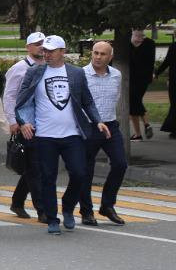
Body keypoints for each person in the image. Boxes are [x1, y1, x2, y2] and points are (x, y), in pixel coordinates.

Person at [15, 35, 109, 235]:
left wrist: (98, 120)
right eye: (45, 50)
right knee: (47, 178)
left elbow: (87, 101)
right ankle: (52, 219)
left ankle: (67, 206)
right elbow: (21, 100)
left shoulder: (75, 74)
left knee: (79, 173)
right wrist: (23, 122)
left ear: (62, 52)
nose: (46, 53)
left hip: (71, 135)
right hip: (44, 136)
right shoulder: (35, 72)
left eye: (51, 50)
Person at [77, 41, 127, 225]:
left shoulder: (116, 75)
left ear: (110, 57)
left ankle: (107, 205)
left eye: (102, 54)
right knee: (86, 170)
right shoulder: (81, 74)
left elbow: (117, 97)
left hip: (110, 125)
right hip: (89, 127)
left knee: (120, 164)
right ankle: (86, 211)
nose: (98, 57)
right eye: (95, 53)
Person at [4, 31, 46, 219]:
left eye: (43, 44)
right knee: (35, 167)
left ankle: (17, 201)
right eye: (36, 44)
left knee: (33, 167)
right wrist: (13, 121)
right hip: (25, 124)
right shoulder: (19, 68)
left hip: (44, 123)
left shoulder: (47, 67)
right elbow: (10, 95)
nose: (41, 47)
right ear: (28, 47)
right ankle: (42, 209)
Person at [127, 29, 157, 141]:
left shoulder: (131, 43)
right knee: (135, 102)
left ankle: (140, 131)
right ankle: (142, 129)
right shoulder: (149, 43)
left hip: (135, 78)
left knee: (134, 102)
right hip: (141, 78)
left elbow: (137, 59)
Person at [158, 40, 176, 139]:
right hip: (173, 80)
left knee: (174, 105)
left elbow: (167, 62)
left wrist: (157, 73)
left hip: (174, 80)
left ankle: (173, 129)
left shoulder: (173, 46)